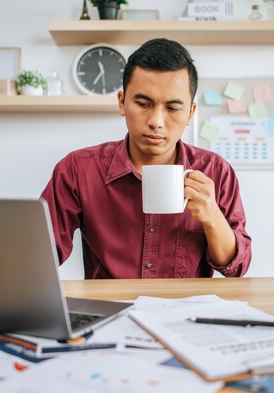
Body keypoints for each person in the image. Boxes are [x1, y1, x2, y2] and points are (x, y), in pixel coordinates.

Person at [40, 38, 251, 278]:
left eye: (172, 108)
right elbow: (37, 257)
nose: (156, 122)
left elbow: (236, 269)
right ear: (122, 102)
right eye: (143, 104)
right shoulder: (78, 170)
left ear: (191, 112)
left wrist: (211, 216)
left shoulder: (216, 171)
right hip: (111, 310)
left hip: (185, 311)